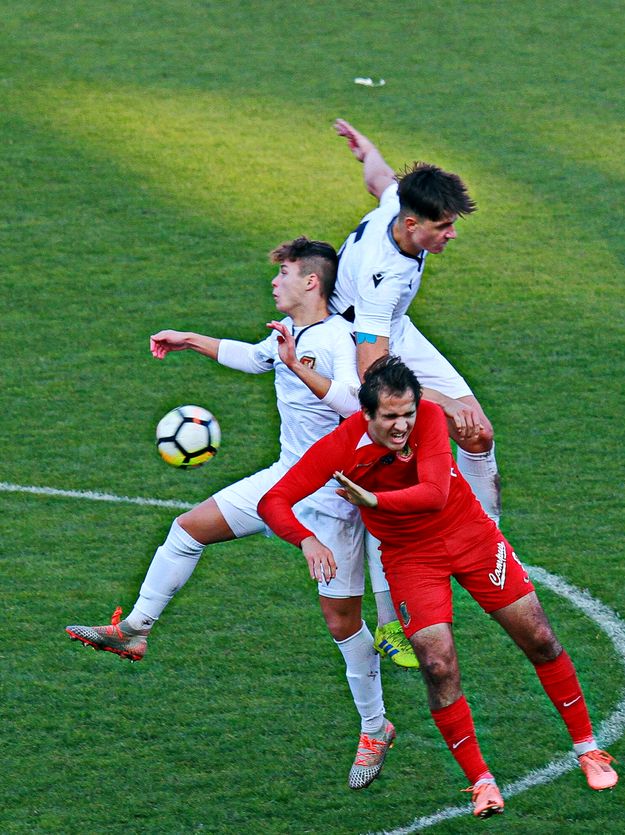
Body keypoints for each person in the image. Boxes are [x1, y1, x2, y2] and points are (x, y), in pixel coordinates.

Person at [65, 238, 398, 790]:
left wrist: (295, 366)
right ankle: (134, 630)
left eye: (284, 273)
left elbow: (354, 403)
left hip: (332, 499)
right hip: (284, 478)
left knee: (342, 623)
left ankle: (374, 727)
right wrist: (189, 339)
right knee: (187, 529)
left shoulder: (337, 338)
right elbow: (250, 356)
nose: (275, 281)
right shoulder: (288, 334)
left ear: (311, 281)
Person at [258, 357, 618, 818]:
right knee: (437, 664)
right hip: (411, 558)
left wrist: (373, 500)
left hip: (471, 536)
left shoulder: (427, 418)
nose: (402, 425)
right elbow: (273, 500)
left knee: (541, 639)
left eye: (407, 413)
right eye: (390, 416)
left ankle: (588, 749)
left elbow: (435, 494)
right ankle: (481, 782)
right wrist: (306, 539)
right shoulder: (341, 446)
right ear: (366, 414)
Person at [328, 119, 500, 667]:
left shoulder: (399, 206)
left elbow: (381, 181)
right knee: (390, 481)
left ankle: (488, 544)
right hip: (357, 346)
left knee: (478, 434)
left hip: (394, 333)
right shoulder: (384, 277)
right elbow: (373, 369)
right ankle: (389, 622)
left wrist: (367, 151)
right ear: (412, 224)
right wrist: (443, 405)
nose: (451, 235)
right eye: (443, 226)